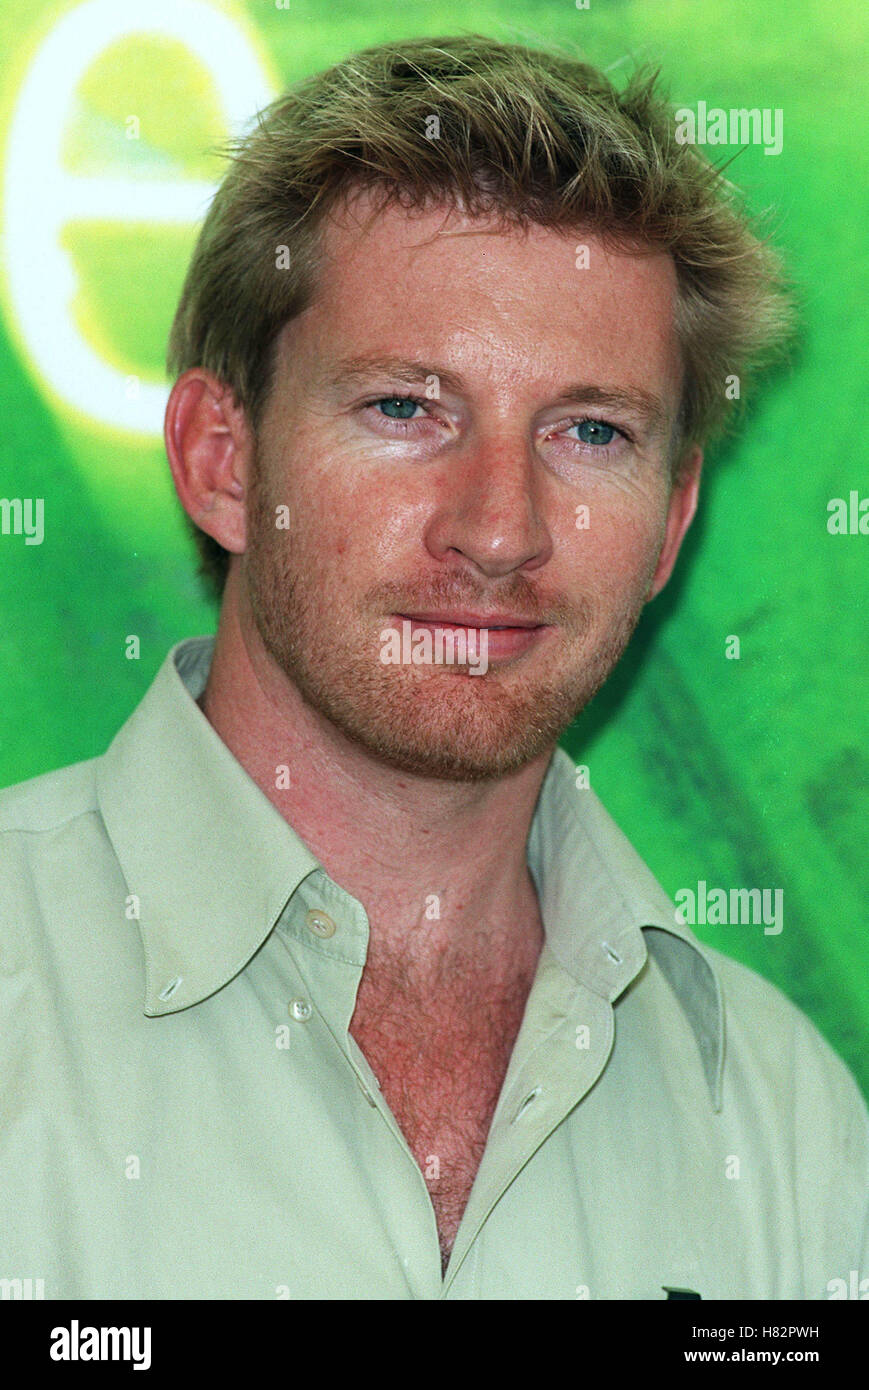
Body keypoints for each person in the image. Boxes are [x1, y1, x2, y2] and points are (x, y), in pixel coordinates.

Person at [1, 35, 866, 1301]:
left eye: (588, 430)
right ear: (220, 461)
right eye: (406, 407)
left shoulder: (782, 1123)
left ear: (671, 522)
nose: (498, 527)